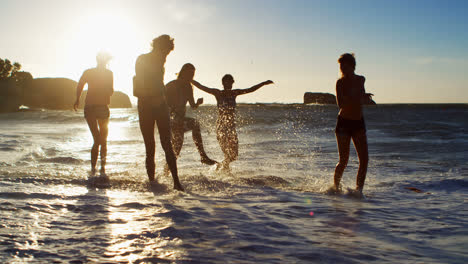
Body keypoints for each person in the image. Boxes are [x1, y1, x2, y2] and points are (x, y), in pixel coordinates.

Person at [191, 75, 273, 171]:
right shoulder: (218, 93)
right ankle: (224, 172)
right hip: (221, 126)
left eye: (230, 82)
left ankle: (221, 166)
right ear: (222, 83)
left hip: (231, 127)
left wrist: (263, 83)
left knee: (234, 156)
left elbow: (250, 89)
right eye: (226, 82)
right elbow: (202, 87)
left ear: (233, 83)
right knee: (226, 153)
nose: (228, 84)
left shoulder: (235, 93)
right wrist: (190, 80)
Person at [134, 34, 183, 191]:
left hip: (161, 106)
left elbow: (160, 84)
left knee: (167, 144)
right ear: (157, 47)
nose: (166, 56)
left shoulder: (162, 62)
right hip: (145, 107)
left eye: (168, 53)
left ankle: (176, 182)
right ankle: (152, 183)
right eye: (165, 52)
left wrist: (166, 102)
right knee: (150, 147)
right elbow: (140, 84)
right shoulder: (142, 59)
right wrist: (151, 98)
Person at [333, 53, 373, 195]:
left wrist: (366, 99)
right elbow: (341, 104)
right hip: (343, 123)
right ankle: (336, 189)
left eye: (345, 65)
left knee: (364, 159)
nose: (342, 68)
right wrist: (356, 97)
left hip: (358, 123)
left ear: (352, 66)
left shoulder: (361, 79)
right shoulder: (340, 83)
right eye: (341, 66)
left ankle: (359, 192)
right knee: (344, 160)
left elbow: (361, 98)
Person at [165, 63, 217, 167]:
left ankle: (164, 174)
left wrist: (198, 103)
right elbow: (163, 102)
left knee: (176, 151)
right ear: (183, 73)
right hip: (171, 120)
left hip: (180, 120)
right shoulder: (171, 85)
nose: (191, 77)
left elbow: (192, 106)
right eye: (189, 74)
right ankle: (203, 156)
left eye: (193, 75)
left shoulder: (188, 87)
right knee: (195, 124)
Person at [74, 51, 113, 175]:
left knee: (97, 139)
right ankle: (101, 169)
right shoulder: (108, 73)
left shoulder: (89, 72)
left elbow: (80, 85)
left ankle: (94, 169)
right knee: (102, 139)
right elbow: (111, 91)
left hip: (91, 107)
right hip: (100, 107)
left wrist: (77, 99)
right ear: (106, 61)